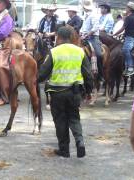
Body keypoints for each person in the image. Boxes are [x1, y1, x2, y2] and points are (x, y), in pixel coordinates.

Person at [39, 26, 93, 158]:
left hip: (57, 93)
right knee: (74, 118)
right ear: (70, 37)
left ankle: (64, 150)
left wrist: (35, 79)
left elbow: (42, 74)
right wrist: (89, 91)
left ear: (59, 37)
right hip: (75, 92)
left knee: (60, 120)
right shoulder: (80, 51)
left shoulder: (54, 52)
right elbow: (88, 74)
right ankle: (80, 142)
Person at [80, 0, 103, 81]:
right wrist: (81, 33)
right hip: (84, 37)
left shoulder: (93, 15)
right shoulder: (85, 15)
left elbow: (95, 27)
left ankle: (100, 74)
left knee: (99, 54)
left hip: (93, 37)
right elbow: (83, 27)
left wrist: (87, 35)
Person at [113, 2, 134, 76]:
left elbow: (123, 28)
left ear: (129, 9)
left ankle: (130, 68)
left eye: (126, 8)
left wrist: (114, 34)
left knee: (125, 50)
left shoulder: (128, 18)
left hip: (130, 38)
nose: (125, 9)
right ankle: (126, 68)